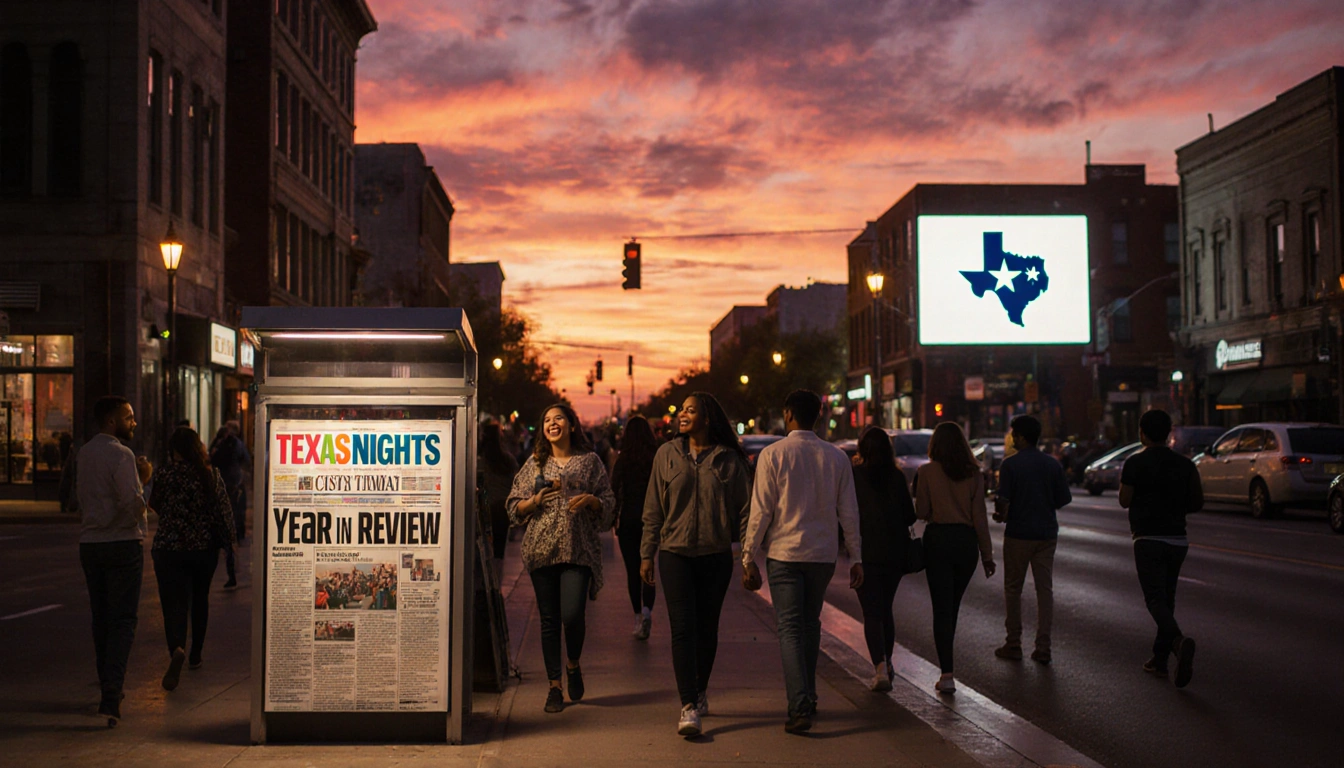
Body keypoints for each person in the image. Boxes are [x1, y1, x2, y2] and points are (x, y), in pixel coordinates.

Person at [742, 389, 863, 734]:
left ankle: (799, 708)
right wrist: (856, 556)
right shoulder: (836, 458)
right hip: (822, 556)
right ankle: (808, 696)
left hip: (784, 553)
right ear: (820, 416)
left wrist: (749, 555)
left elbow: (761, 510)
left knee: (790, 629)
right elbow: (849, 512)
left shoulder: (773, 455)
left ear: (788, 414)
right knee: (810, 625)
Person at [642, 394, 752, 737]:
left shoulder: (729, 460)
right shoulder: (666, 455)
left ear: (708, 417)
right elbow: (653, 509)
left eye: (691, 410)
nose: (683, 415)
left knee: (707, 628)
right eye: (682, 410)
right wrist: (647, 553)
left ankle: (700, 689)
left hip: (715, 555)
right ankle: (688, 706)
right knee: (682, 628)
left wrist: (748, 558)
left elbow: (747, 512)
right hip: (674, 554)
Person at [506, 404, 615, 713]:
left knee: (572, 615)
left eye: (558, 419)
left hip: (578, 551)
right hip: (541, 551)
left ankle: (573, 663)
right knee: (550, 621)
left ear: (571, 425)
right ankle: (554, 686)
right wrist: (532, 502)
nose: (552, 424)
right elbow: (513, 505)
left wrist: (593, 501)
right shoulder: (535, 464)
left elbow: (608, 503)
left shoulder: (589, 462)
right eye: (546, 420)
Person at [76, 396, 152, 728]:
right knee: (122, 621)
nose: (134, 422)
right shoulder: (122, 455)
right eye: (129, 417)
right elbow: (131, 504)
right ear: (112, 422)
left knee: (101, 619)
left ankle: (108, 687)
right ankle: (111, 696)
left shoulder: (85, 453)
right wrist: (144, 479)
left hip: (91, 545)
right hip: (121, 544)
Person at [1118, 409, 1203, 688]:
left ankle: (1178, 643)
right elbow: (1196, 503)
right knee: (1167, 599)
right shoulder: (1186, 465)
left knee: (1155, 600)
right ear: (1169, 433)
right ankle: (1160, 659)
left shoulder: (1134, 463)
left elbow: (1124, 500)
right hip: (1177, 539)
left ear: (1142, 432)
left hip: (1147, 538)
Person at [150, 426, 236, 690]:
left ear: (174, 450)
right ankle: (196, 654)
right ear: (197, 447)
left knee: (172, 602)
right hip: (202, 549)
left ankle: (176, 646)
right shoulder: (209, 475)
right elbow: (223, 509)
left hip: (169, 548)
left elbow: (154, 504)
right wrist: (229, 543)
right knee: (199, 600)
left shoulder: (165, 474)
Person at [915, 421, 995, 695]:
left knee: (941, 608)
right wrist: (987, 555)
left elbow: (922, 510)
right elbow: (979, 518)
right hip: (965, 544)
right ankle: (948, 667)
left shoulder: (926, 472)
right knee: (953, 606)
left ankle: (947, 673)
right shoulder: (974, 474)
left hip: (938, 540)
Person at [992, 415, 1071, 665]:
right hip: (1047, 534)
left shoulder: (1010, 465)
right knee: (1044, 590)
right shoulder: (1052, 464)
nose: (1012, 437)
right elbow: (1062, 499)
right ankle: (1043, 646)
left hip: (1018, 534)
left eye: (1014, 434)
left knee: (1013, 589)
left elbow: (1003, 502)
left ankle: (1013, 643)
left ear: (1023, 437)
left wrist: (1000, 514)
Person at [851, 426, 916, 692]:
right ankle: (887, 664)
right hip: (894, 553)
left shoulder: (855, 477)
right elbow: (910, 517)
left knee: (871, 612)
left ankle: (880, 668)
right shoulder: (897, 477)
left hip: (866, 552)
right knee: (885, 609)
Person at [611, 416, 658, 641]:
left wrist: (613, 518)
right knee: (648, 566)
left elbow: (614, 489)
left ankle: (638, 617)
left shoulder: (624, 459)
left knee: (633, 571)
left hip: (629, 519)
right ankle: (648, 610)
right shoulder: (655, 458)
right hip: (651, 520)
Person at [209, 421, 249, 590]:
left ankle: (229, 570)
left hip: (223, 484)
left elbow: (212, 458)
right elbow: (245, 459)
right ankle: (231, 570)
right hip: (234, 484)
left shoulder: (221, 445)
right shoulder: (238, 445)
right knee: (230, 528)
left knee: (221, 530)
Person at [479, 421, 520, 567]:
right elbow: (516, 484)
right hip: (503, 507)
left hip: (484, 507)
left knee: (482, 548)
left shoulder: (479, 460)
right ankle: (497, 582)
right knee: (498, 549)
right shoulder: (508, 459)